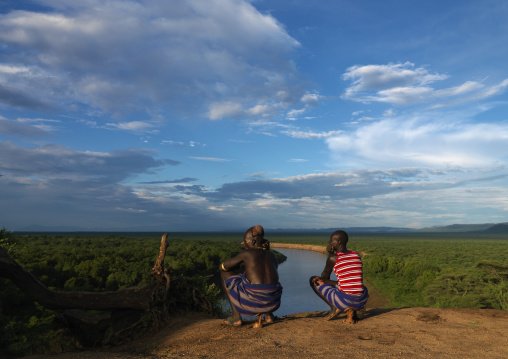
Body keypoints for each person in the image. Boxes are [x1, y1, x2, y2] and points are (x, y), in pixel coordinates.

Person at [220, 225, 283, 328]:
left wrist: (238, 264)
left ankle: (236, 317)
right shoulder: (273, 256)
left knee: (224, 272)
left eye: (245, 241)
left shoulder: (246, 254)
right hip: (273, 303)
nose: (244, 244)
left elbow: (223, 266)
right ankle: (269, 316)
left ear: (253, 241)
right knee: (264, 281)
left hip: (253, 304)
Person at [309, 230, 369, 324]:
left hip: (345, 300)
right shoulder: (356, 254)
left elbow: (324, 278)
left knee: (314, 280)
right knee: (356, 285)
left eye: (331, 240)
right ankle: (357, 308)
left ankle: (334, 307)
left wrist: (330, 254)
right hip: (361, 299)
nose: (329, 242)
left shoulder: (333, 258)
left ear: (338, 242)